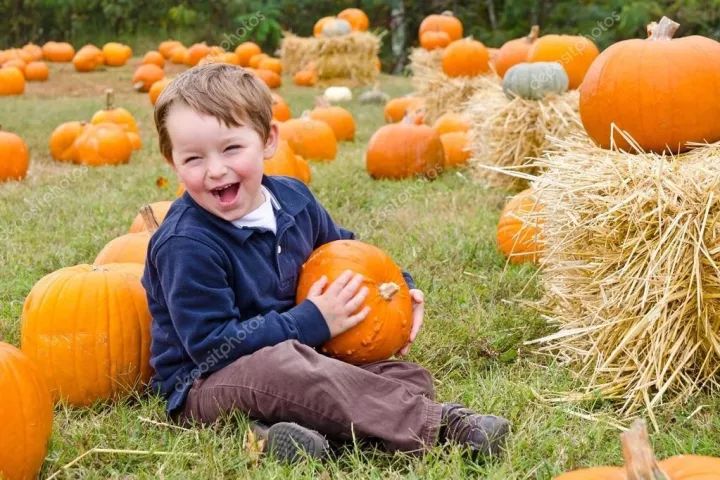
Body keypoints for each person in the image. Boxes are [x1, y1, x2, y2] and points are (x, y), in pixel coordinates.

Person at [142, 63, 510, 463]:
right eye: (193, 158)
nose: (215, 170)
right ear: (172, 161)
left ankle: (287, 438)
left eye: (231, 148)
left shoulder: (294, 199)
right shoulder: (187, 244)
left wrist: (397, 289)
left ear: (268, 141)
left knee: (404, 374)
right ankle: (442, 427)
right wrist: (310, 321)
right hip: (207, 383)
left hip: (306, 357)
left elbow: (346, 253)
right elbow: (214, 346)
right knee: (287, 370)